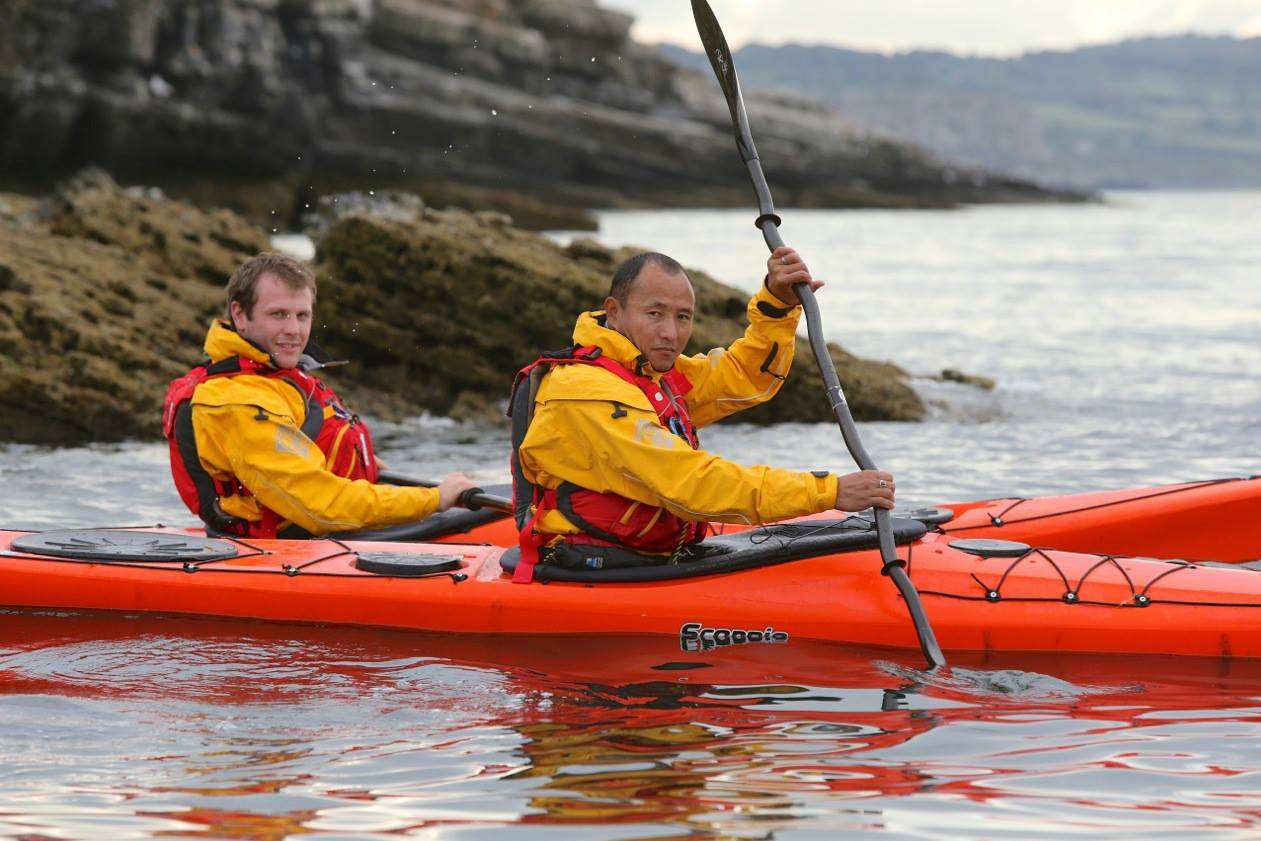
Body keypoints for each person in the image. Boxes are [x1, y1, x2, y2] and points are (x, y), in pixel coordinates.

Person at [509, 247, 895, 581]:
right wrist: (829, 491)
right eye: (655, 314)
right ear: (614, 311)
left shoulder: (650, 373)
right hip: (594, 564)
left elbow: (742, 378)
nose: (671, 333)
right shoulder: (588, 392)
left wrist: (776, 306)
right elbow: (690, 483)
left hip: (646, 556)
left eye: (682, 317)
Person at [163, 252, 477, 538]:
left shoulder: (267, 373)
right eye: (279, 314)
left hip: (314, 526)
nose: (295, 331)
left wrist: (357, 463)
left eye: (302, 315)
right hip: (285, 544)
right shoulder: (237, 403)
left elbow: (303, 439)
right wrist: (435, 499)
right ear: (241, 315)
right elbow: (320, 505)